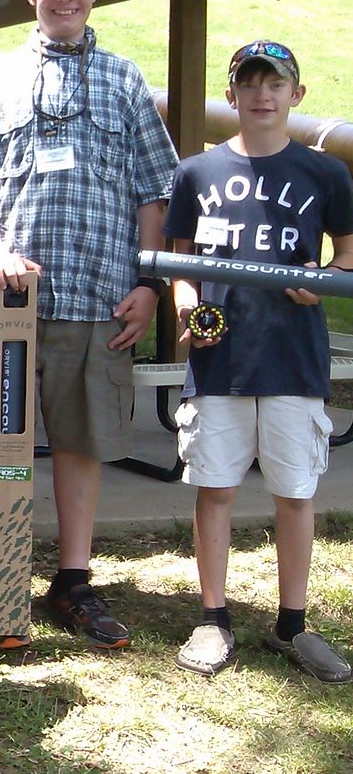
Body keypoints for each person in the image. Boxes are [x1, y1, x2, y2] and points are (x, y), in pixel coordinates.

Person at [0, 0, 178, 650]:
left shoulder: (126, 81)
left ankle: (72, 579)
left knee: (79, 440)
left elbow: (153, 189)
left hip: (98, 297)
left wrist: (147, 284)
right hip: (1, 306)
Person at [163, 40, 353, 682]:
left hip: (293, 360)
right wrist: (187, 306)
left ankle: (292, 624)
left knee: (294, 493)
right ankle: (212, 618)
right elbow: (180, 261)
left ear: (296, 95)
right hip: (220, 360)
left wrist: (323, 278)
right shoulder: (196, 173)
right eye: (250, 83)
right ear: (232, 94)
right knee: (214, 488)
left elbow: (348, 257)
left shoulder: (326, 174)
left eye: (276, 83)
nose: (263, 94)